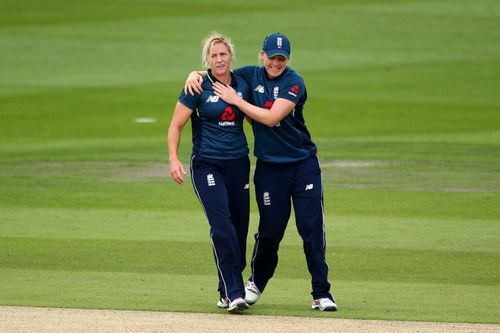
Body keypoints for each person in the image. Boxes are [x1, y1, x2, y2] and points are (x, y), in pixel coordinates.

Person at [185, 33, 337, 311]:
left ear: (286, 60)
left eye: (281, 58)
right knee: (269, 233)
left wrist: (235, 100)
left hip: (303, 165)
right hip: (269, 169)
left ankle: (321, 292)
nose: (275, 63)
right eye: (271, 57)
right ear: (261, 55)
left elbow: (271, 118)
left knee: (311, 228)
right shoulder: (250, 76)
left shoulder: (294, 82)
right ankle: (255, 282)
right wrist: (194, 74)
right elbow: (217, 72)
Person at [168, 32, 251, 313]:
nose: (219, 59)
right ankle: (235, 291)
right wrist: (173, 159)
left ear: (231, 57)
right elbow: (175, 125)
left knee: (239, 228)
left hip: (239, 163)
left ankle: (224, 289)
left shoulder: (242, 83)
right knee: (222, 225)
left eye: (223, 54)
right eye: (214, 55)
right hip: (207, 164)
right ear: (207, 59)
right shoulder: (197, 85)